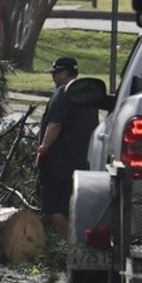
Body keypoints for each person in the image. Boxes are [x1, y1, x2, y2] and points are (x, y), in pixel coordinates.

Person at [36, 56, 97, 237]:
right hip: (80, 163)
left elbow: (55, 124)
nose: (53, 77)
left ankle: (74, 243)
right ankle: (77, 240)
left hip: (58, 164)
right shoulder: (86, 95)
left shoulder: (64, 93)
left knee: (52, 208)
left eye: (55, 73)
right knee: (71, 207)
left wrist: (43, 148)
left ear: (64, 73)